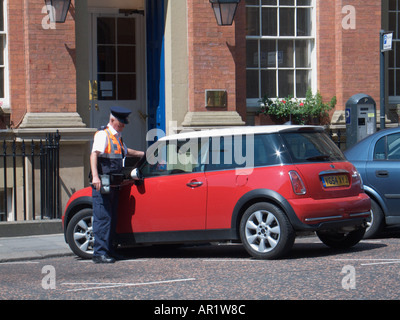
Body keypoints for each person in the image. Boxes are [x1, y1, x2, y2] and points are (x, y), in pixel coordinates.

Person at [90, 106, 144, 263]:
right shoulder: (103, 135)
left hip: (113, 185)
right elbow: (94, 154)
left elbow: (126, 152)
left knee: (112, 219)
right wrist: (95, 177)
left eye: (123, 124)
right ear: (112, 120)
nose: (123, 126)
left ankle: (109, 251)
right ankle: (99, 253)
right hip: (103, 185)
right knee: (103, 219)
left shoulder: (117, 137)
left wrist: (144, 154)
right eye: (120, 124)